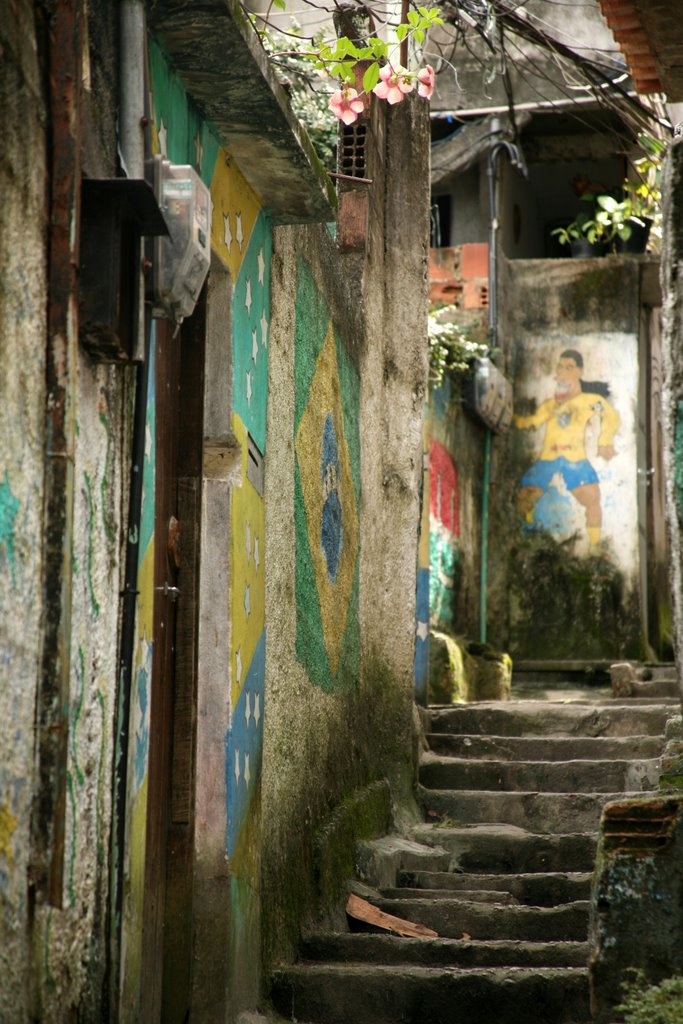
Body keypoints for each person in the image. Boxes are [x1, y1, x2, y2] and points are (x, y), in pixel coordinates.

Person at [514, 349, 620, 546]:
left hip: (575, 461)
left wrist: (604, 439)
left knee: (593, 502)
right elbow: (531, 422)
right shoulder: (550, 405)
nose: (563, 372)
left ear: (579, 371)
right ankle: (527, 539)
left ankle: (595, 548)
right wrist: (512, 418)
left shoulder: (589, 402)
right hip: (547, 460)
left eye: (569, 367)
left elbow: (611, 416)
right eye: (560, 367)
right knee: (523, 497)